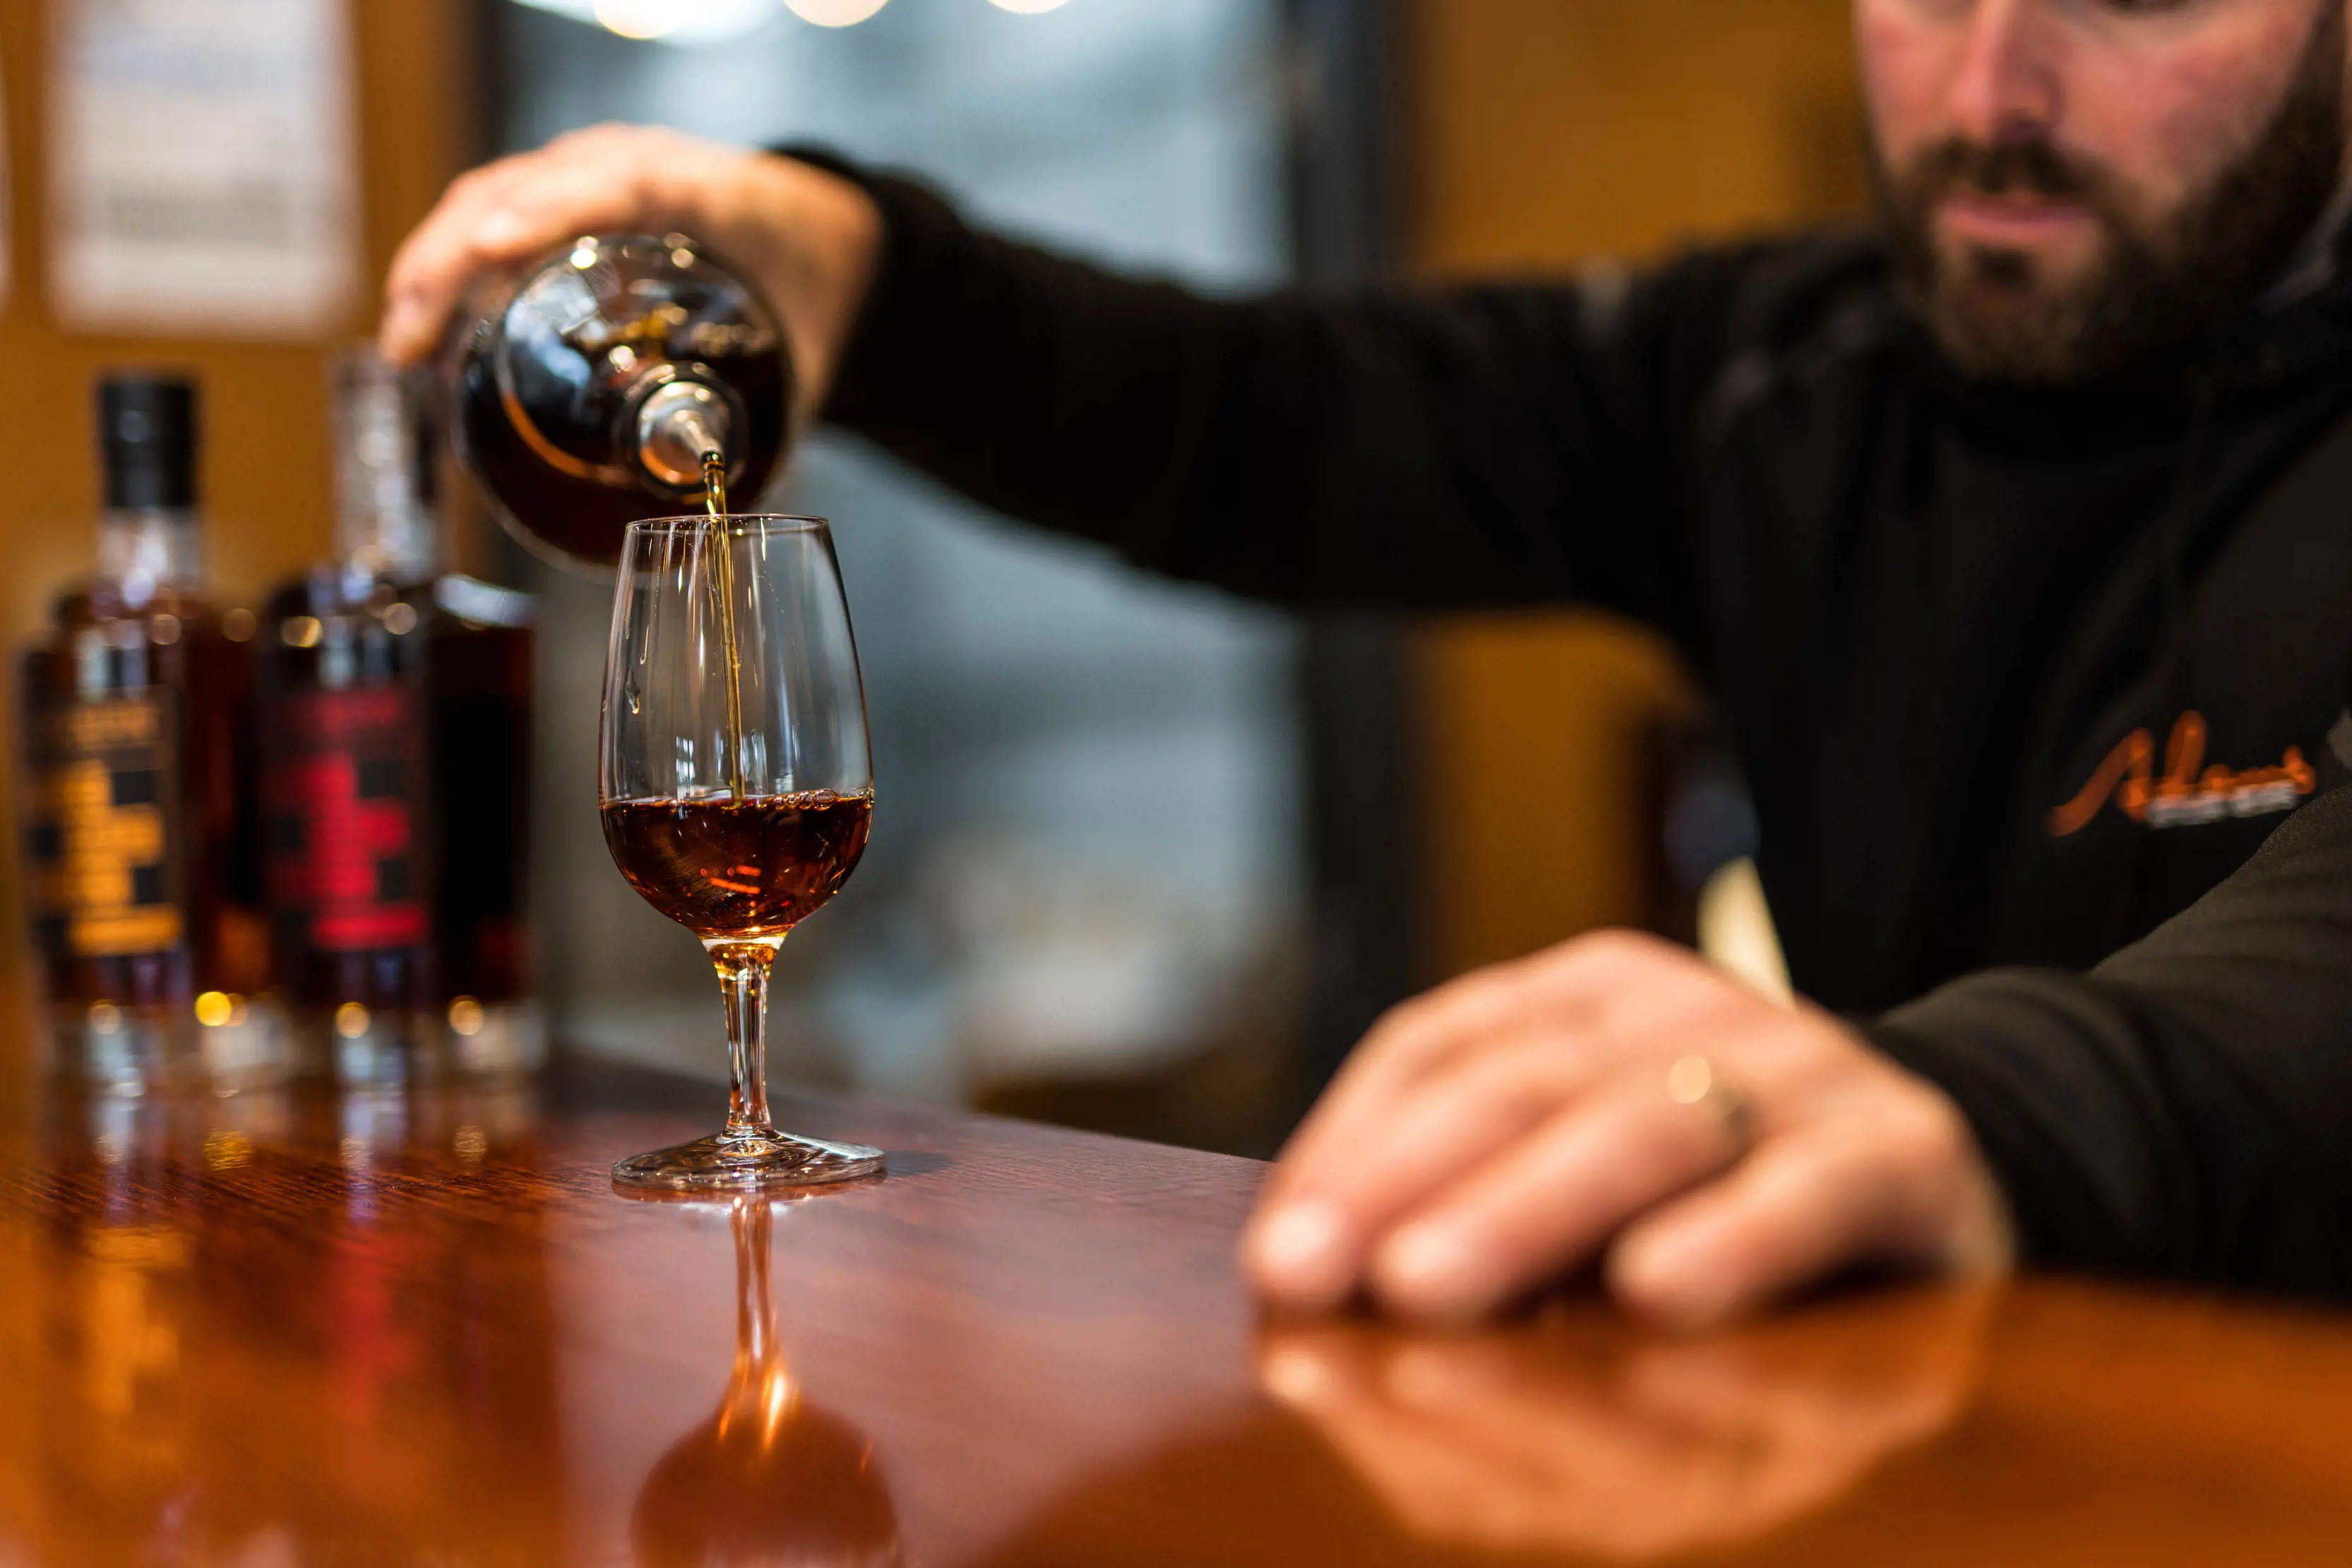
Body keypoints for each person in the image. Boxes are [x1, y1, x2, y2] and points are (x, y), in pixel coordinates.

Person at [382, 0, 2352, 1322]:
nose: (1994, 85)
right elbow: (1269, 420)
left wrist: (1991, 1110)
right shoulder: (1786, 379)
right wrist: (857, 267)